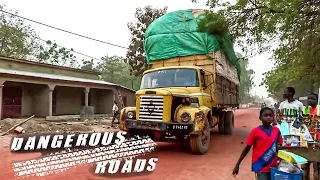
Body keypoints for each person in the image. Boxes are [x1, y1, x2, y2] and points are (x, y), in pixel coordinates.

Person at [232, 107, 283, 180]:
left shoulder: (276, 131)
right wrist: (237, 164)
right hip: (260, 167)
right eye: (265, 115)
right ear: (260, 118)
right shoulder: (255, 131)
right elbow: (247, 149)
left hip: (274, 167)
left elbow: (279, 148)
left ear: (273, 117)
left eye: (270, 115)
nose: (268, 117)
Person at [301, 92, 320, 180]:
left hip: (317, 142)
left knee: (317, 167)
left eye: (313, 99)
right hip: (305, 141)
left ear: (317, 100)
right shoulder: (304, 110)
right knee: (304, 165)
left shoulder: (319, 110)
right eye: (309, 99)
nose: (310, 101)